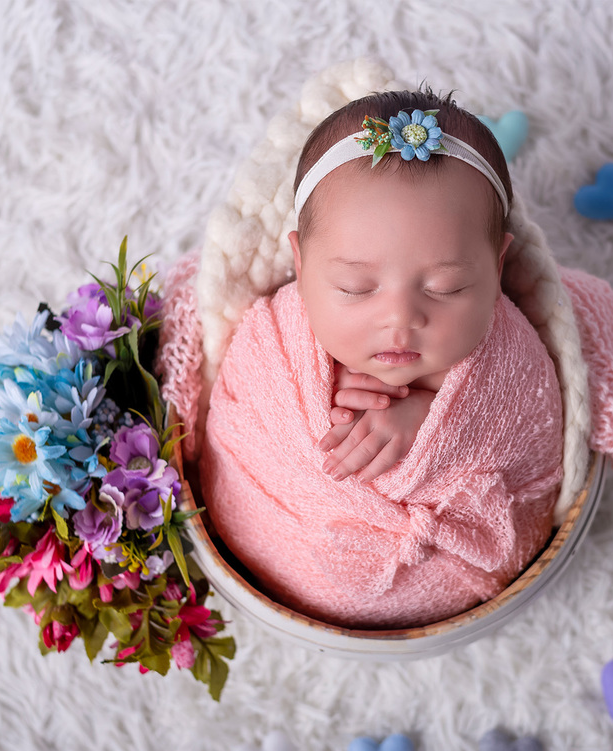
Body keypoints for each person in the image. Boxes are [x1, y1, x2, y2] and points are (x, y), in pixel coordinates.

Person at [197, 88, 574, 629]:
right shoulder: (275, 339)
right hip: (258, 564)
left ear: (497, 268)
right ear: (300, 264)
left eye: (447, 287)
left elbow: (535, 421)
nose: (400, 319)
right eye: (354, 287)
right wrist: (329, 403)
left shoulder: (509, 353)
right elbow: (234, 412)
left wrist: (438, 426)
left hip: (454, 595)